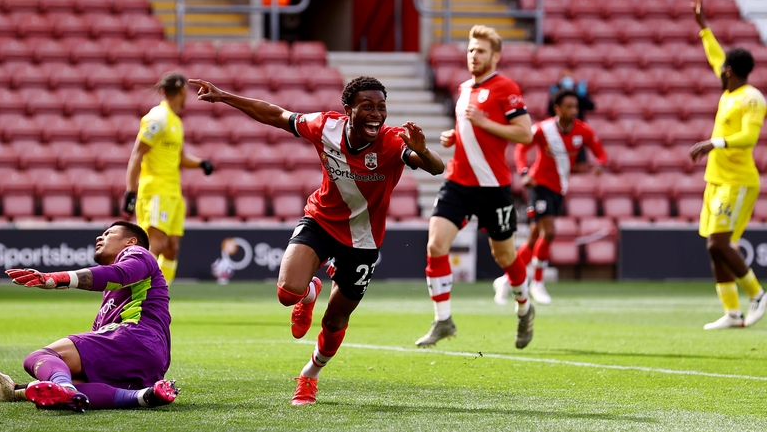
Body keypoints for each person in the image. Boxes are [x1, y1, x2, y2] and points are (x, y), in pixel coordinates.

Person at [189, 76, 445, 405]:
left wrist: (423, 150)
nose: (376, 114)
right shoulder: (324, 126)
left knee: (336, 319)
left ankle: (309, 376)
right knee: (286, 293)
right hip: (321, 221)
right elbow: (276, 115)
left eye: (381, 107)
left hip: (363, 241)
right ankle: (308, 293)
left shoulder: (394, 142)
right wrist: (225, 97)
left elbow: (436, 169)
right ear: (348, 109)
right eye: (367, 107)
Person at [415, 24, 535, 350]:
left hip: (493, 186)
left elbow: (525, 134)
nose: (473, 55)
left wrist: (484, 123)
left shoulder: (506, 87)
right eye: (470, 50)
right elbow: (469, 129)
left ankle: (524, 308)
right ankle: (443, 320)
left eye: (480, 51)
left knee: (504, 255)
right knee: (435, 245)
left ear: (495, 56)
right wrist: (454, 137)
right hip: (458, 182)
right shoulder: (464, 88)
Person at [0, 221, 178, 412]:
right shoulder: (111, 303)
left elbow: (119, 275)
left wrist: (57, 278)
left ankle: (66, 389)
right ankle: (143, 396)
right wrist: (19, 390)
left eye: (108, 233)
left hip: (136, 335)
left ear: (130, 241)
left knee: (37, 358)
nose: (100, 237)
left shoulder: (138, 253)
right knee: (75, 385)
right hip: (152, 365)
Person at [688, 0, 767, 329]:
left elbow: (750, 138)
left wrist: (713, 142)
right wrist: (703, 25)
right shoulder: (730, 91)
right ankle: (733, 314)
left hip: (737, 181)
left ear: (729, 71)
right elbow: (714, 53)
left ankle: (758, 294)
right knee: (713, 247)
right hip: (716, 179)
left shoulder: (752, 99)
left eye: (722, 69)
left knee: (720, 242)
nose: (717, 69)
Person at [494, 89, 608, 306]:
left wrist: (600, 164)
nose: (574, 111)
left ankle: (506, 280)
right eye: (569, 107)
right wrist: (524, 172)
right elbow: (520, 148)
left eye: (576, 107)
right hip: (539, 185)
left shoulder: (583, 131)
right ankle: (537, 283)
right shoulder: (543, 129)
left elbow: (600, 152)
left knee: (535, 237)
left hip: (559, 188)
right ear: (557, 109)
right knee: (549, 232)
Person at [122, 72, 214, 287]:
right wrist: (130, 190)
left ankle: (160, 294)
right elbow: (138, 153)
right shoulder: (158, 118)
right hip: (156, 190)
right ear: (182, 91)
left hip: (173, 192)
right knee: (156, 244)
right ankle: (137, 294)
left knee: (172, 246)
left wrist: (200, 163)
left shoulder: (174, 121)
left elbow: (179, 157)